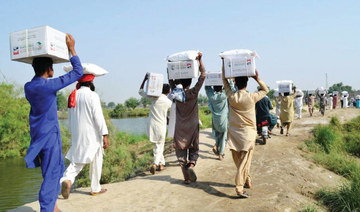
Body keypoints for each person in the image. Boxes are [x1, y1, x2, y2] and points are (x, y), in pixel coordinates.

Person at [24, 34, 83, 212]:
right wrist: (71, 49)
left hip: (38, 135)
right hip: (49, 136)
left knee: (50, 171)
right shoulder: (47, 86)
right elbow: (78, 72)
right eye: (52, 68)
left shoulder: (29, 86)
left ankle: (53, 207)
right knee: (52, 175)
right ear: (49, 69)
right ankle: (47, 209)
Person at [222, 59, 269, 198]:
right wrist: (257, 78)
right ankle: (239, 187)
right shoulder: (252, 97)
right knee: (244, 161)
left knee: (239, 161)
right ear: (247, 83)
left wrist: (224, 64)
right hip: (248, 134)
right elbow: (266, 90)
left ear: (235, 83)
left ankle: (246, 179)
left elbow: (224, 82)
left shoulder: (231, 97)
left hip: (235, 134)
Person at [60, 73, 109, 199]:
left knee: (77, 160)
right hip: (92, 134)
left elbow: (70, 117)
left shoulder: (73, 95)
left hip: (77, 134)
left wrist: (72, 132)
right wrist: (104, 134)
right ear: (91, 83)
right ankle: (95, 188)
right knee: (97, 159)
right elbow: (98, 117)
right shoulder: (92, 95)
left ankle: (67, 179)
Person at [169, 52, 205, 184]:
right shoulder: (193, 92)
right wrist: (200, 61)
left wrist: (171, 66)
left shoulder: (176, 94)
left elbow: (171, 80)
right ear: (190, 81)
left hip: (180, 127)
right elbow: (203, 75)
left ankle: (186, 177)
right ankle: (192, 165)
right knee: (194, 148)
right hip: (193, 125)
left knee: (181, 150)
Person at [139, 74, 172, 174]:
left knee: (156, 146)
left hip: (152, 125)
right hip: (161, 126)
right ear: (168, 92)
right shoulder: (168, 102)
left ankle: (161, 164)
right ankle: (155, 164)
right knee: (160, 145)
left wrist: (144, 80)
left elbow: (140, 91)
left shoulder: (154, 97)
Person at [205, 84, 228, 160]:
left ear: (214, 89)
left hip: (215, 120)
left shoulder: (212, 97)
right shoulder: (224, 96)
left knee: (217, 135)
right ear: (221, 88)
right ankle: (220, 154)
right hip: (223, 120)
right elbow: (229, 87)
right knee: (223, 136)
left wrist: (209, 81)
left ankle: (216, 146)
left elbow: (207, 88)